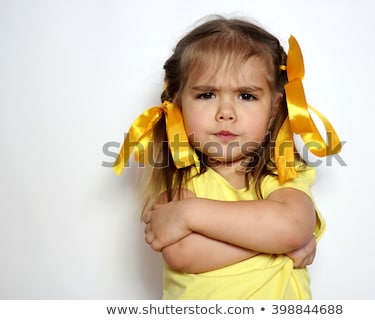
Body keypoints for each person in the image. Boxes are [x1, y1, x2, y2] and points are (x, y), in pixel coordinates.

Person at [113, 15, 341, 299]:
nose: (226, 112)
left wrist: (189, 215)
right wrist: (279, 242)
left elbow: (291, 225)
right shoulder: (180, 176)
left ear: (273, 108)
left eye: (246, 96)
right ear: (177, 104)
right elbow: (183, 253)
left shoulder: (281, 171)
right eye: (207, 94)